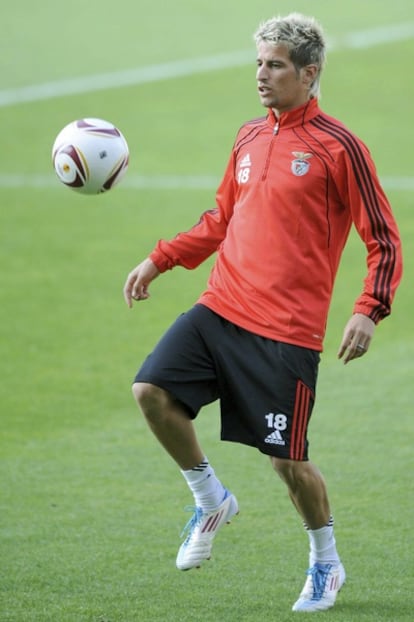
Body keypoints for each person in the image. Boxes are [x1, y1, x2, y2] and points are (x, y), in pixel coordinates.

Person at [123, 12, 402, 613]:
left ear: (309, 73)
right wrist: (159, 259)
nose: (261, 75)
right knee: (151, 391)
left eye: (275, 65)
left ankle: (326, 560)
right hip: (222, 307)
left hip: (286, 333)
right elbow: (220, 220)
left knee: (287, 462)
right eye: (259, 62)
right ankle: (210, 498)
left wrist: (368, 309)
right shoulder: (249, 138)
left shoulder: (340, 147)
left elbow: (383, 237)